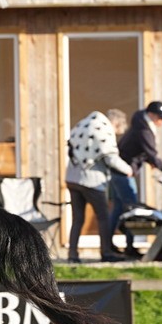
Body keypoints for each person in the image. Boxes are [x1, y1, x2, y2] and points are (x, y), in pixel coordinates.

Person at [107, 100, 162, 258]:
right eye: (161, 118)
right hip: (123, 173)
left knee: (118, 209)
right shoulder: (144, 130)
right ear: (152, 115)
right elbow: (151, 154)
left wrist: (152, 162)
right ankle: (128, 248)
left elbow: (144, 153)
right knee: (132, 210)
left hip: (118, 172)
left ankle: (108, 245)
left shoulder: (140, 124)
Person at [65, 109, 131, 263]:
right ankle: (106, 252)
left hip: (72, 177)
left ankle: (72, 254)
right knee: (103, 217)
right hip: (91, 180)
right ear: (116, 123)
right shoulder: (102, 128)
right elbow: (110, 158)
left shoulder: (83, 124)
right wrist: (128, 170)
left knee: (77, 219)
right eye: (118, 129)